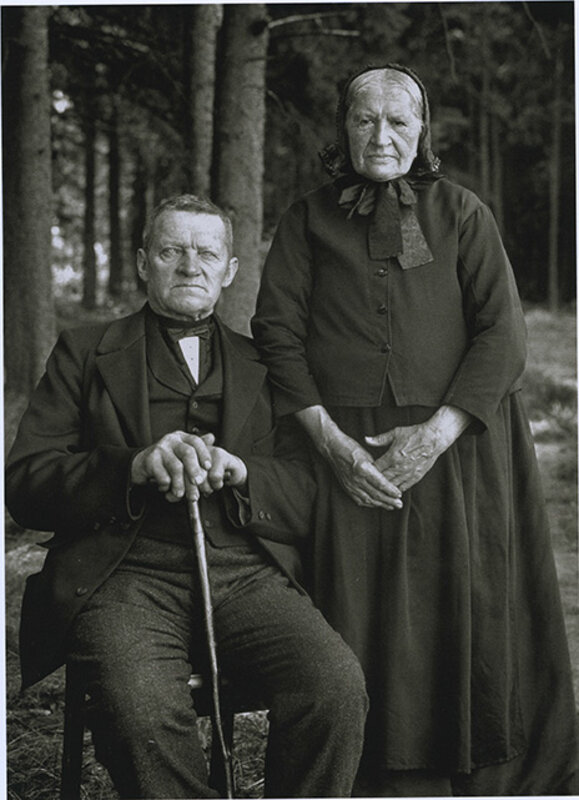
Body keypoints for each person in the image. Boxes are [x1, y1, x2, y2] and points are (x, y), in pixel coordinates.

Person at [252, 64, 578, 796]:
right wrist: (330, 445)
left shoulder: (461, 212)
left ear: (421, 130)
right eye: (365, 119)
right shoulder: (307, 219)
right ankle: (363, 774)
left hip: (455, 449)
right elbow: (275, 332)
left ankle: (464, 774)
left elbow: (504, 333)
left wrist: (433, 435)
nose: (382, 135)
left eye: (398, 121)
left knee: (456, 609)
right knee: (355, 621)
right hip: (343, 456)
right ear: (342, 128)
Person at [6, 194, 369, 799]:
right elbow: (26, 483)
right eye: (172, 251)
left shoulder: (266, 364)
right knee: (142, 715)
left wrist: (243, 470)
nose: (190, 265)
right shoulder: (83, 351)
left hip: (246, 573)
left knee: (333, 687)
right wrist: (135, 466)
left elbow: (308, 489)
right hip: (123, 575)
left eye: (207, 253)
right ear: (144, 262)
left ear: (229, 269)